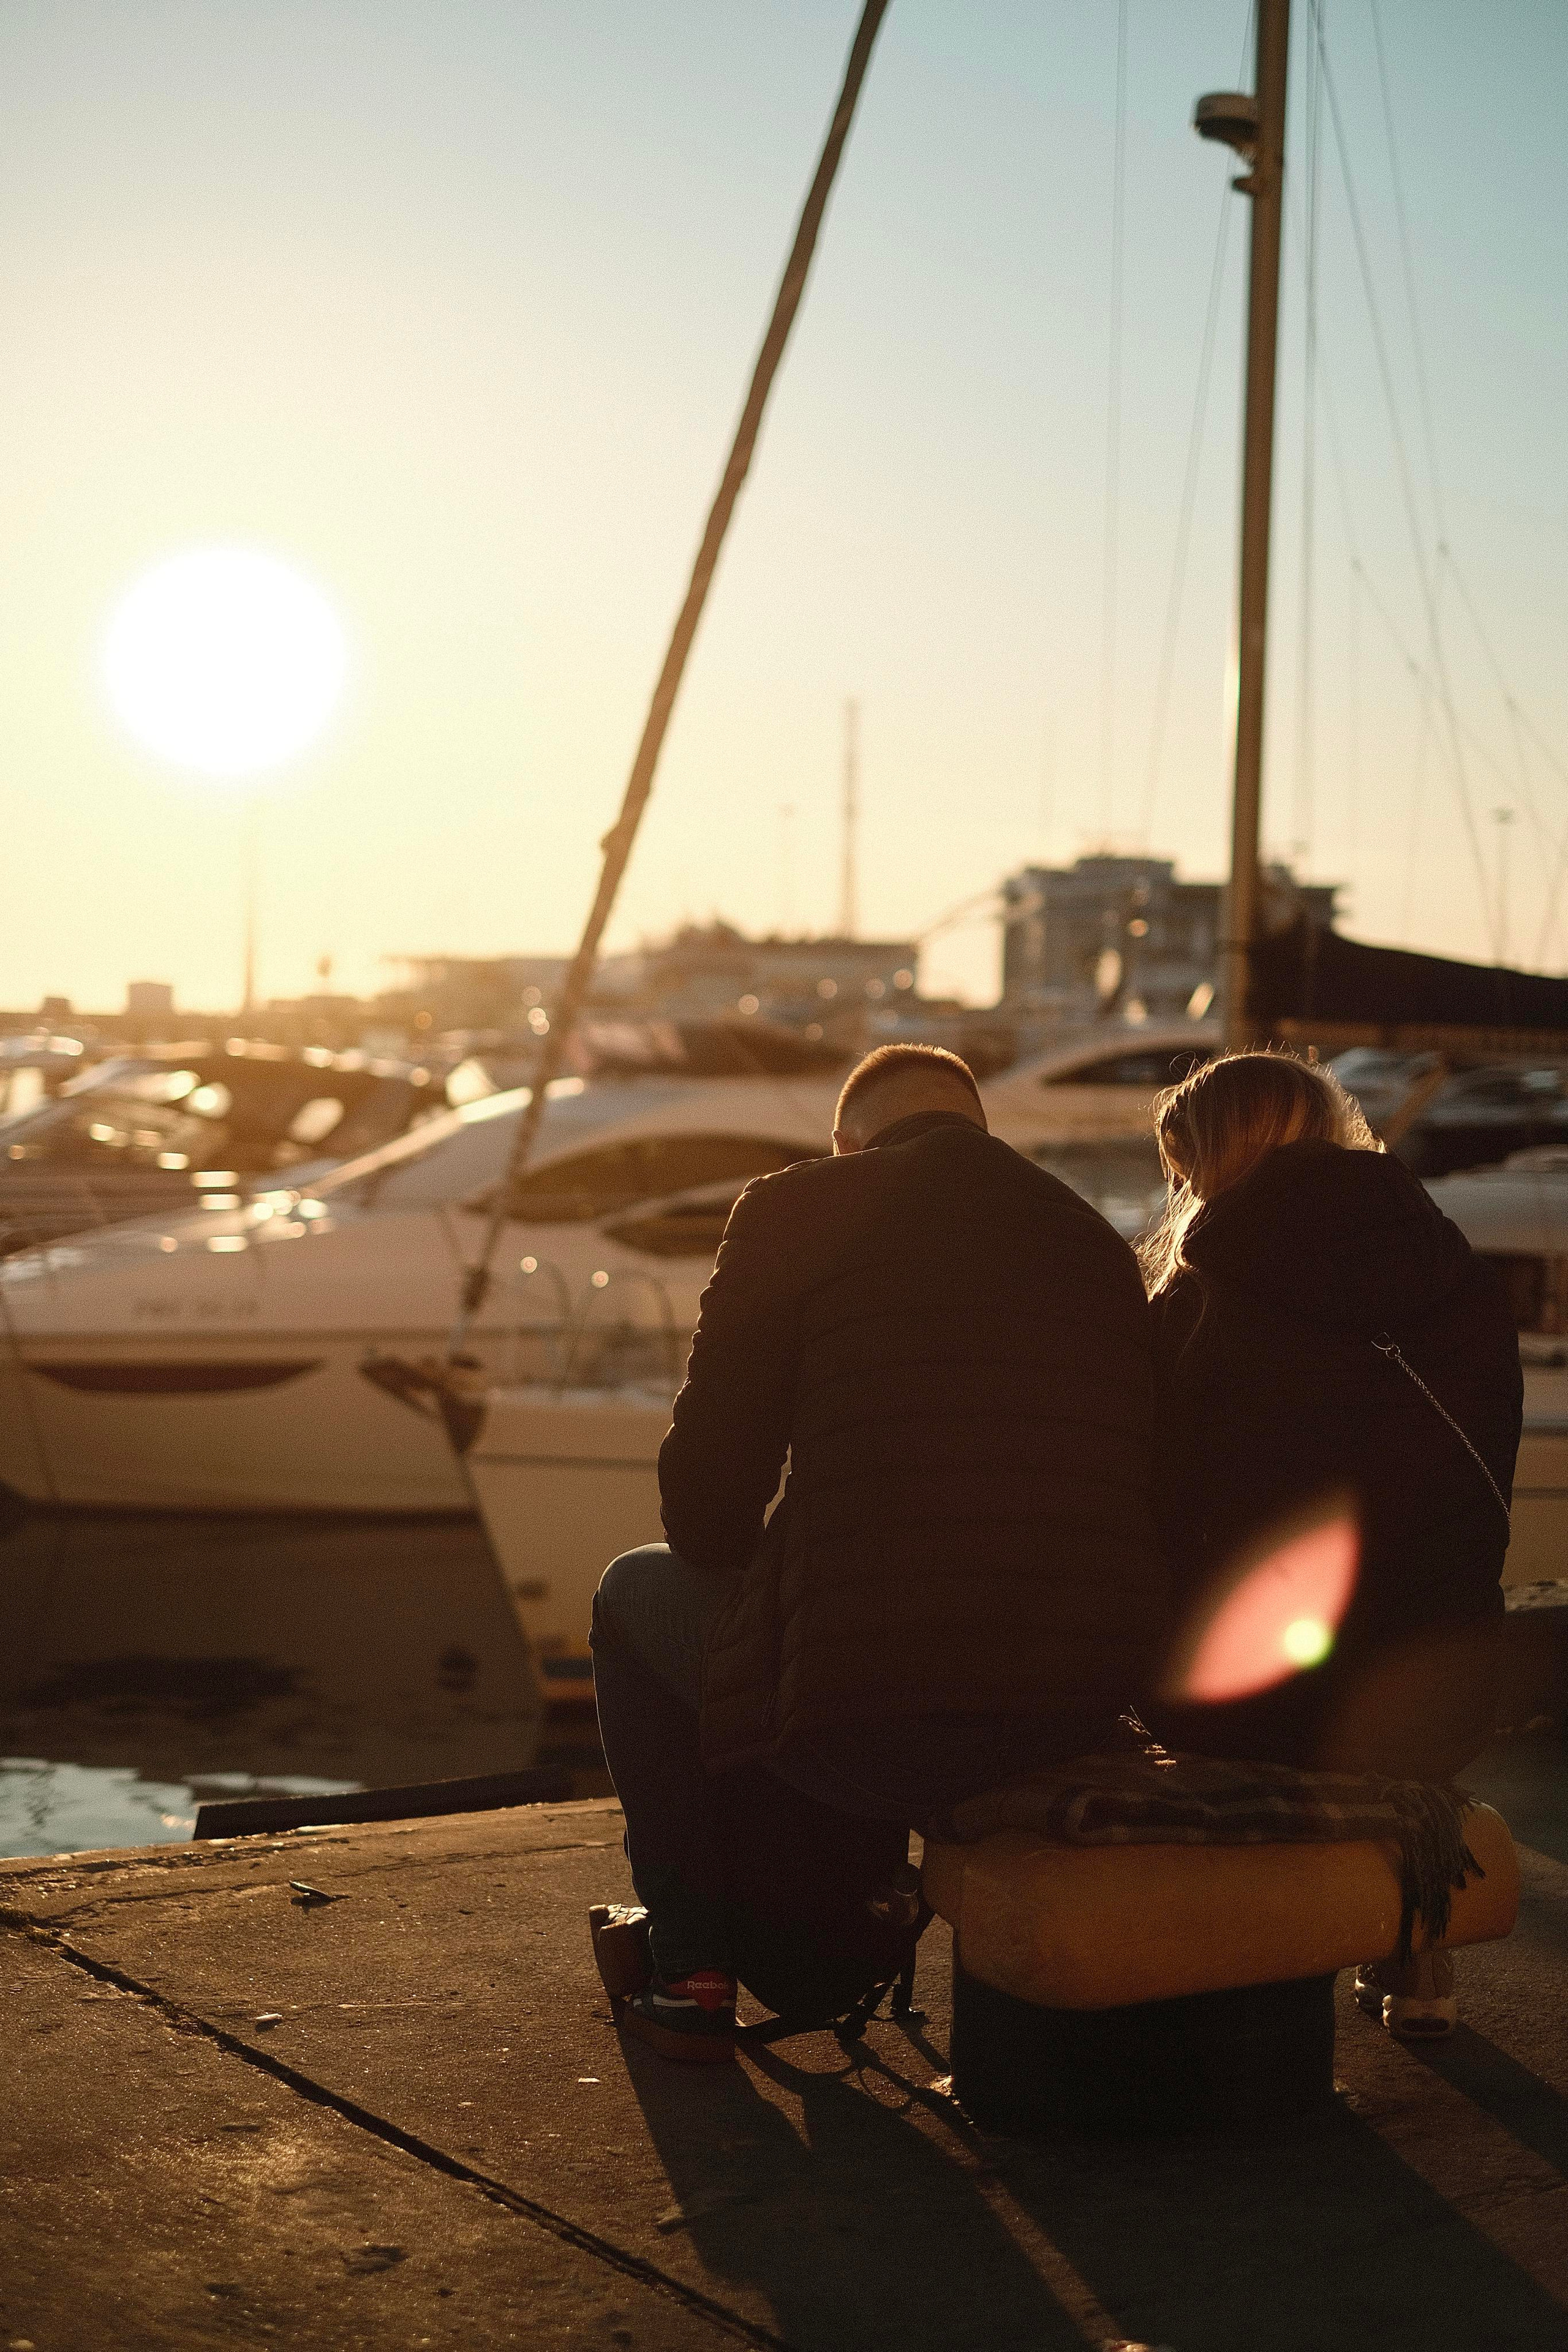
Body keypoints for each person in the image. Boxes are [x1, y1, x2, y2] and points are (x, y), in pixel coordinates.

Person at [591, 1041, 1167, 2060]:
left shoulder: (800, 1208)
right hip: (1069, 1719)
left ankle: (690, 1972)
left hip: (871, 1725)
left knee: (633, 1594)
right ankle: (800, 1933)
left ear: (846, 1142)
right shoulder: (1093, 1241)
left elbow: (707, 1512)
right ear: (980, 1128)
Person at [1140, 1048, 1522, 2035]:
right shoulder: (1455, 1271)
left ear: (1211, 1166)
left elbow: (1163, 1495)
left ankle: (1251, 1966)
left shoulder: (1207, 1296)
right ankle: (1414, 1948)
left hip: (1272, 1702)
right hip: (1448, 1681)